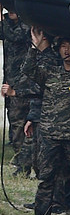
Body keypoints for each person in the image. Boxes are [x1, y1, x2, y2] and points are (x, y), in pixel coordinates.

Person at [22, 30, 70, 215]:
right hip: (50, 135)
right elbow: (28, 69)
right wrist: (35, 47)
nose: (67, 51)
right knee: (46, 179)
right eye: (63, 46)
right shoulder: (50, 73)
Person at [1, 9, 35, 176]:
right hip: (11, 83)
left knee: (24, 126)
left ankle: (26, 165)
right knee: (15, 124)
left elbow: (16, 36)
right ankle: (21, 163)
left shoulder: (26, 24)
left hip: (26, 85)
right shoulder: (8, 23)